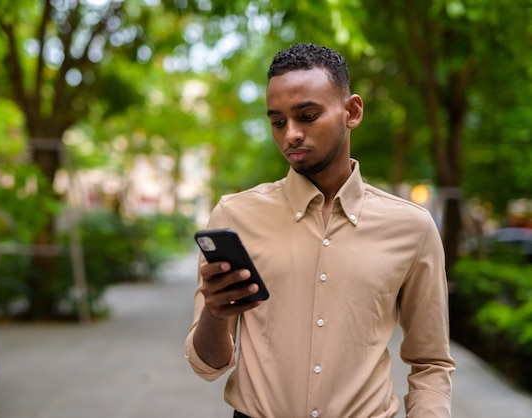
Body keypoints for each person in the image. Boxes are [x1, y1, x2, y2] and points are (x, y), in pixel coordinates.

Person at [184, 43, 455, 418]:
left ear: (352, 111)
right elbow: (207, 366)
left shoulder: (412, 227)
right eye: (277, 122)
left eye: (307, 116)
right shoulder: (235, 215)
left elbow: (430, 362)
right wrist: (215, 313)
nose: (290, 134)